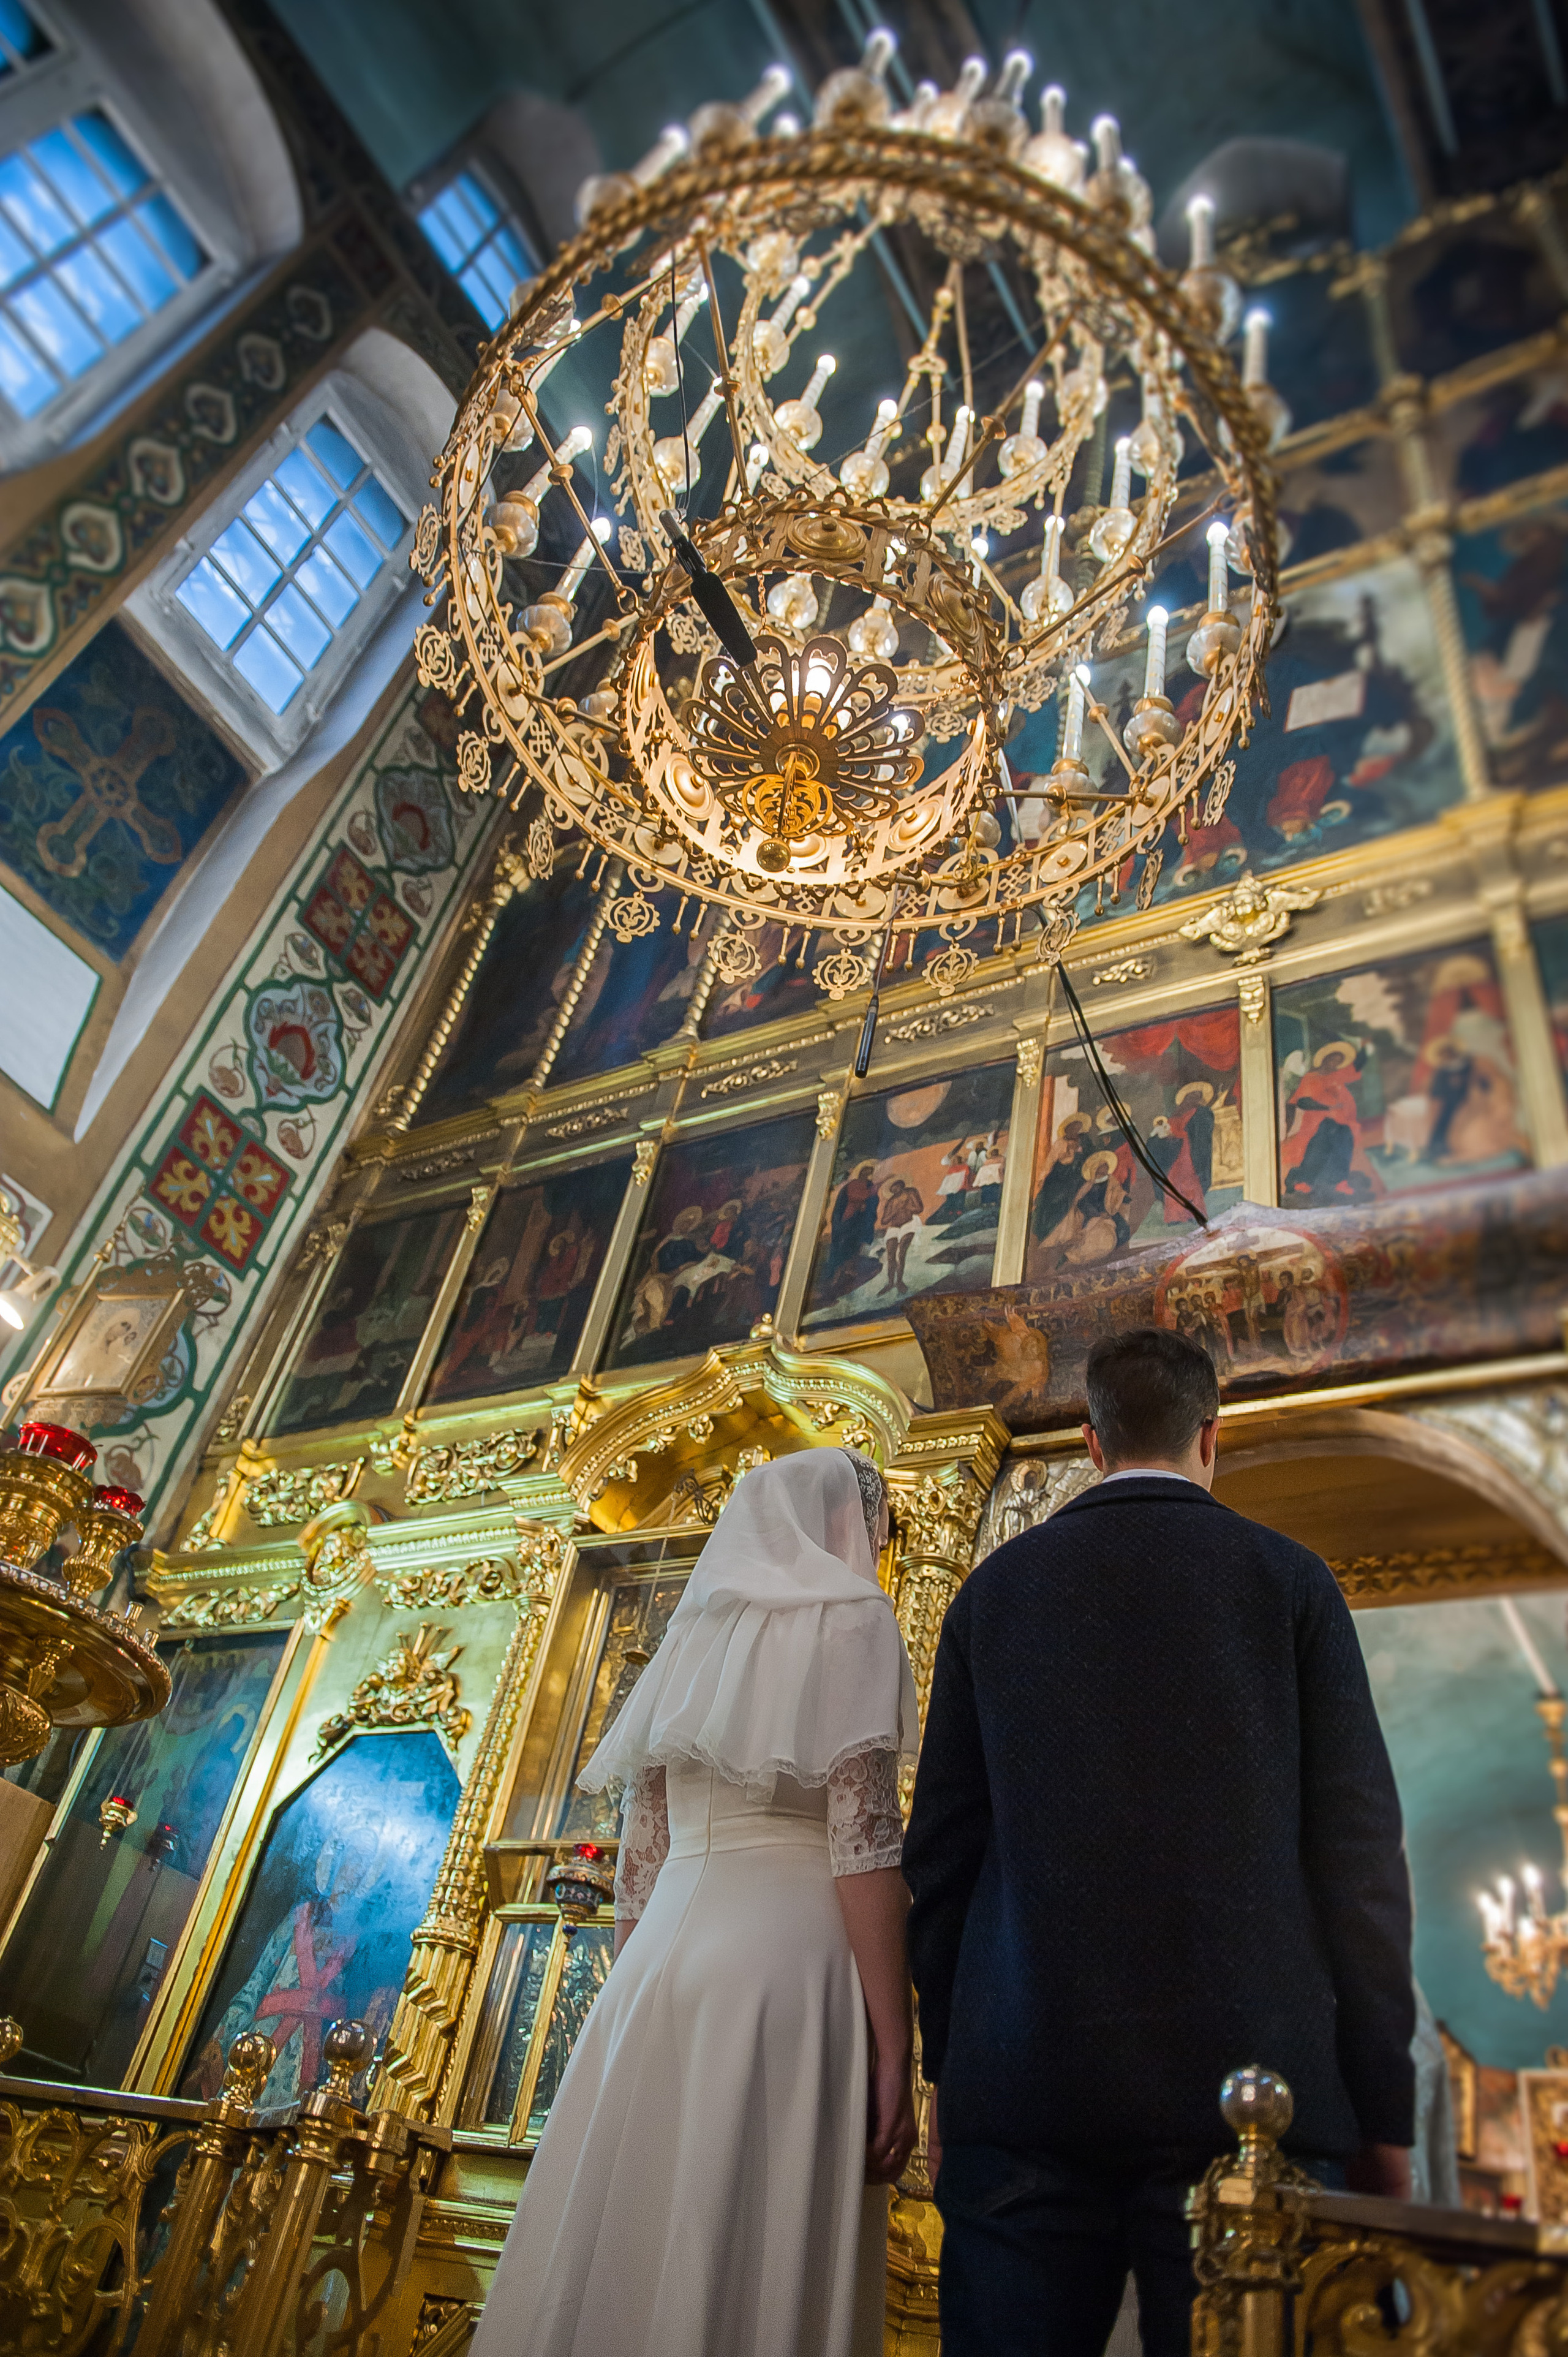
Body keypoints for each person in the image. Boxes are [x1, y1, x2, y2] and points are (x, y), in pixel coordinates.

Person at [904, 1325, 1415, 2357]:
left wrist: (951, 2070)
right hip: (1256, 2104)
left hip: (1025, 2090)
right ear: (1209, 1436)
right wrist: (1383, 2107)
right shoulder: (1291, 1582)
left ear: (1090, 1442)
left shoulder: (993, 1596)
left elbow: (941, 1865)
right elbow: (1360, 1864)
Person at [472, 1449, 921, 2357]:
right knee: (756, 2237)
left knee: (632, 2229)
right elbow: (864, 1846)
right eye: (874, 1532)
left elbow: (640, 1865)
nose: (873, 1551)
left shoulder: (684, 1642)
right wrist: (895, 2042)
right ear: (842, 1525)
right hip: (791, 1969)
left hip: (658, 1965)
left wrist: (643, 1980)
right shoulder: (854, 1620)